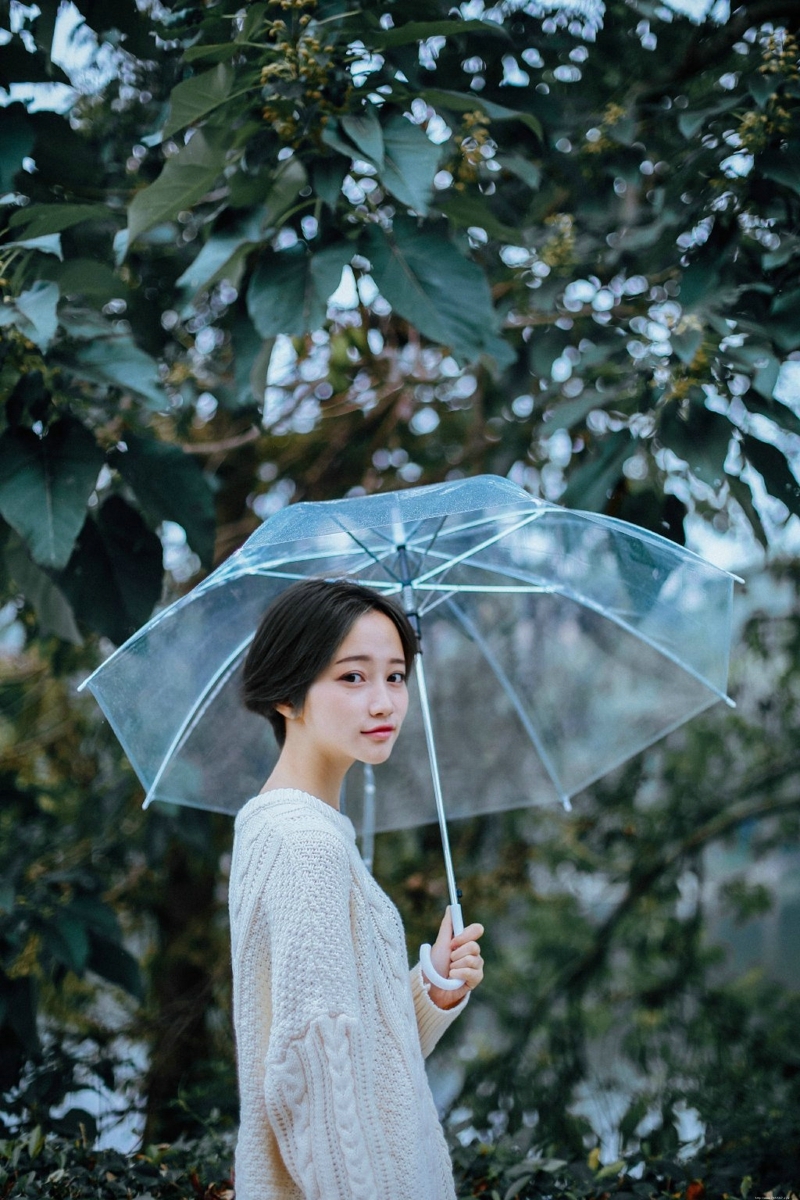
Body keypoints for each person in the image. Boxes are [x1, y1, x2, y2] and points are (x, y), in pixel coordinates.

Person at [228, 578, 485, 1200]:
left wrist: (432, 987)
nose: (384, 702)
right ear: (286, 694)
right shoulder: (305, 846)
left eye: (396, 676)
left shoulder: (285, 827)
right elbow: (313, 1080)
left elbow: (356, 1060)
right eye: (352, 677)